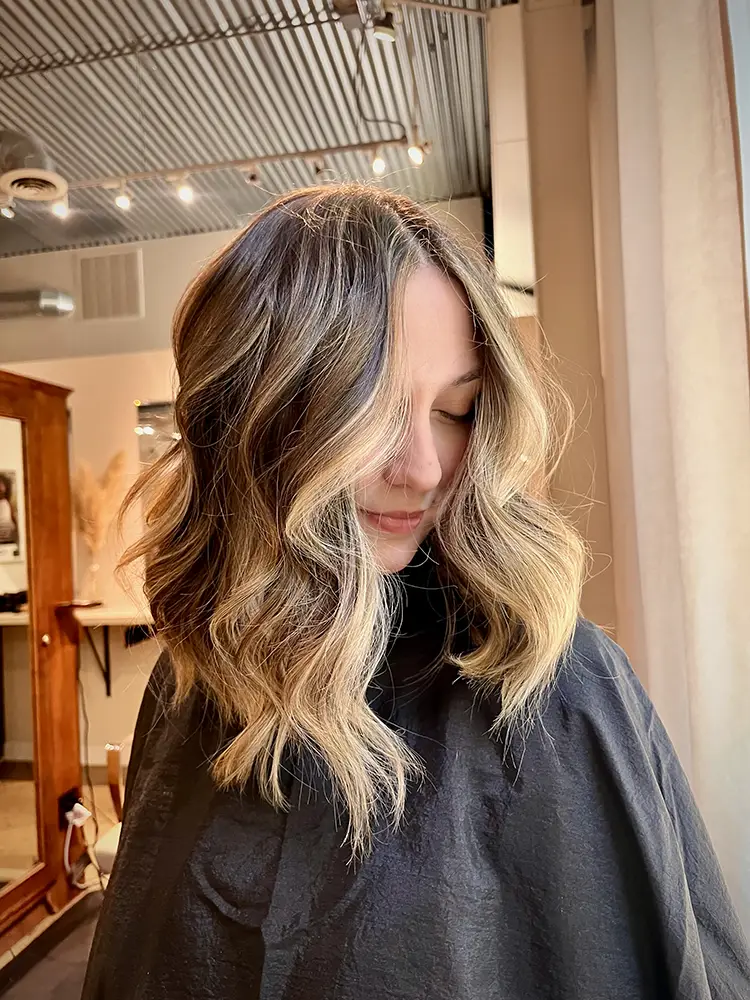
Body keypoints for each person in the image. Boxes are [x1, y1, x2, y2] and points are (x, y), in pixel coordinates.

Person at [82, 185, 750, 999]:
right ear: (250, 414)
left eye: (457, 410)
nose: (424, 470)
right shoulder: (194, 679)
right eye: (366, 412)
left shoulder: (560, 686)